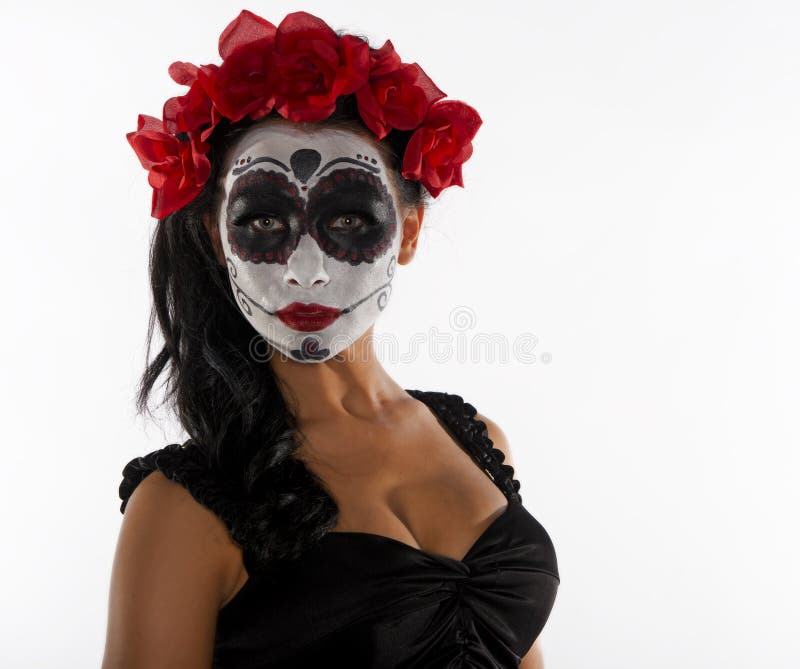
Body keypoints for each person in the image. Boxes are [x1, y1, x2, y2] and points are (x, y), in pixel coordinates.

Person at [102, 9, 560, 669]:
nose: (305, 267)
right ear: (216, 238)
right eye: (263, 218)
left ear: (407, 232)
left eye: (347, 216)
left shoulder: (479, 441)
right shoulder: (180, 513)